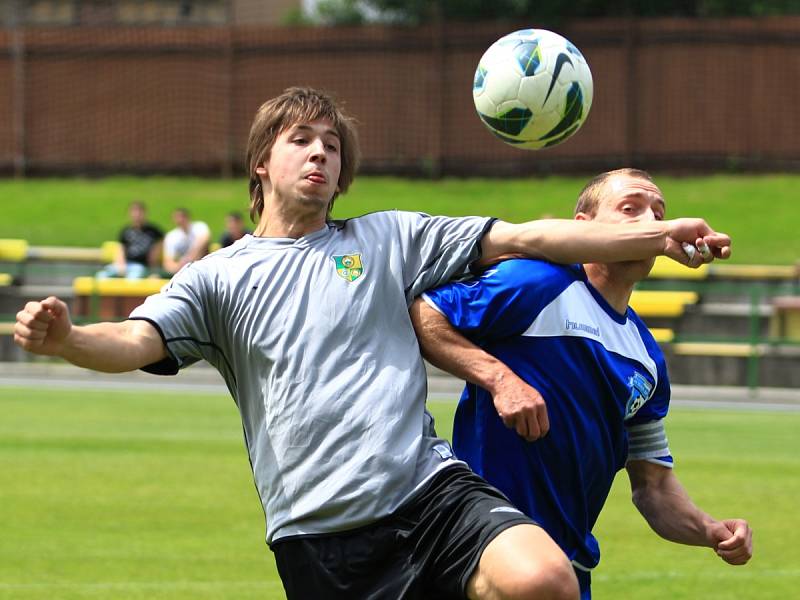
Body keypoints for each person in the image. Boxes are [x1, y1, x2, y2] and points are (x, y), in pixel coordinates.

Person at [14, 88, 731, 600]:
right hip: (319, 531)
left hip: (427, 490)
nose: (320, 154)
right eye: (302, 141)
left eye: (332, 146)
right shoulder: (218, 276)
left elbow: (529, 235)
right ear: (262, 163)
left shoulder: (387, 239)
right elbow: (133, 340)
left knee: (544, 579)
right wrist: (69, 338)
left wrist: (658, 236)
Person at [410, 168, 752, 599]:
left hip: (568, 565)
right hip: (482, 546)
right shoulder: (536, 283)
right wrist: (499, 379)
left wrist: (710, 529)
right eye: (630, 209)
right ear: (581, 228)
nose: (649, 221)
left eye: (658, 213)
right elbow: (424, 313)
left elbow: (654, 486)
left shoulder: (645, 356)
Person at [96, 200, 163, 279]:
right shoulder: (126, 231)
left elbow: (157, 249)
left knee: (132, 278)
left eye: (139, 212)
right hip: (125, 264)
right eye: (134, 212)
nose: (137, 214)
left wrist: (153, 271)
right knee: (101, 276)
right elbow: (121, 250)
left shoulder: (154, 231)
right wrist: (121, 265)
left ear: (145, 213)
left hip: (141, 266)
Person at [162, 207, 210, 275]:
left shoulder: (199, 227)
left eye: (182, 217)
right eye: (177, 217)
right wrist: (179, 268)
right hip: (181, 269)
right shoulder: (171, 236)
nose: (180, 220)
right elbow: (168, 262)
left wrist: (189, 259)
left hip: (202, 264)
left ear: (188, 217)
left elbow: (203, 242)